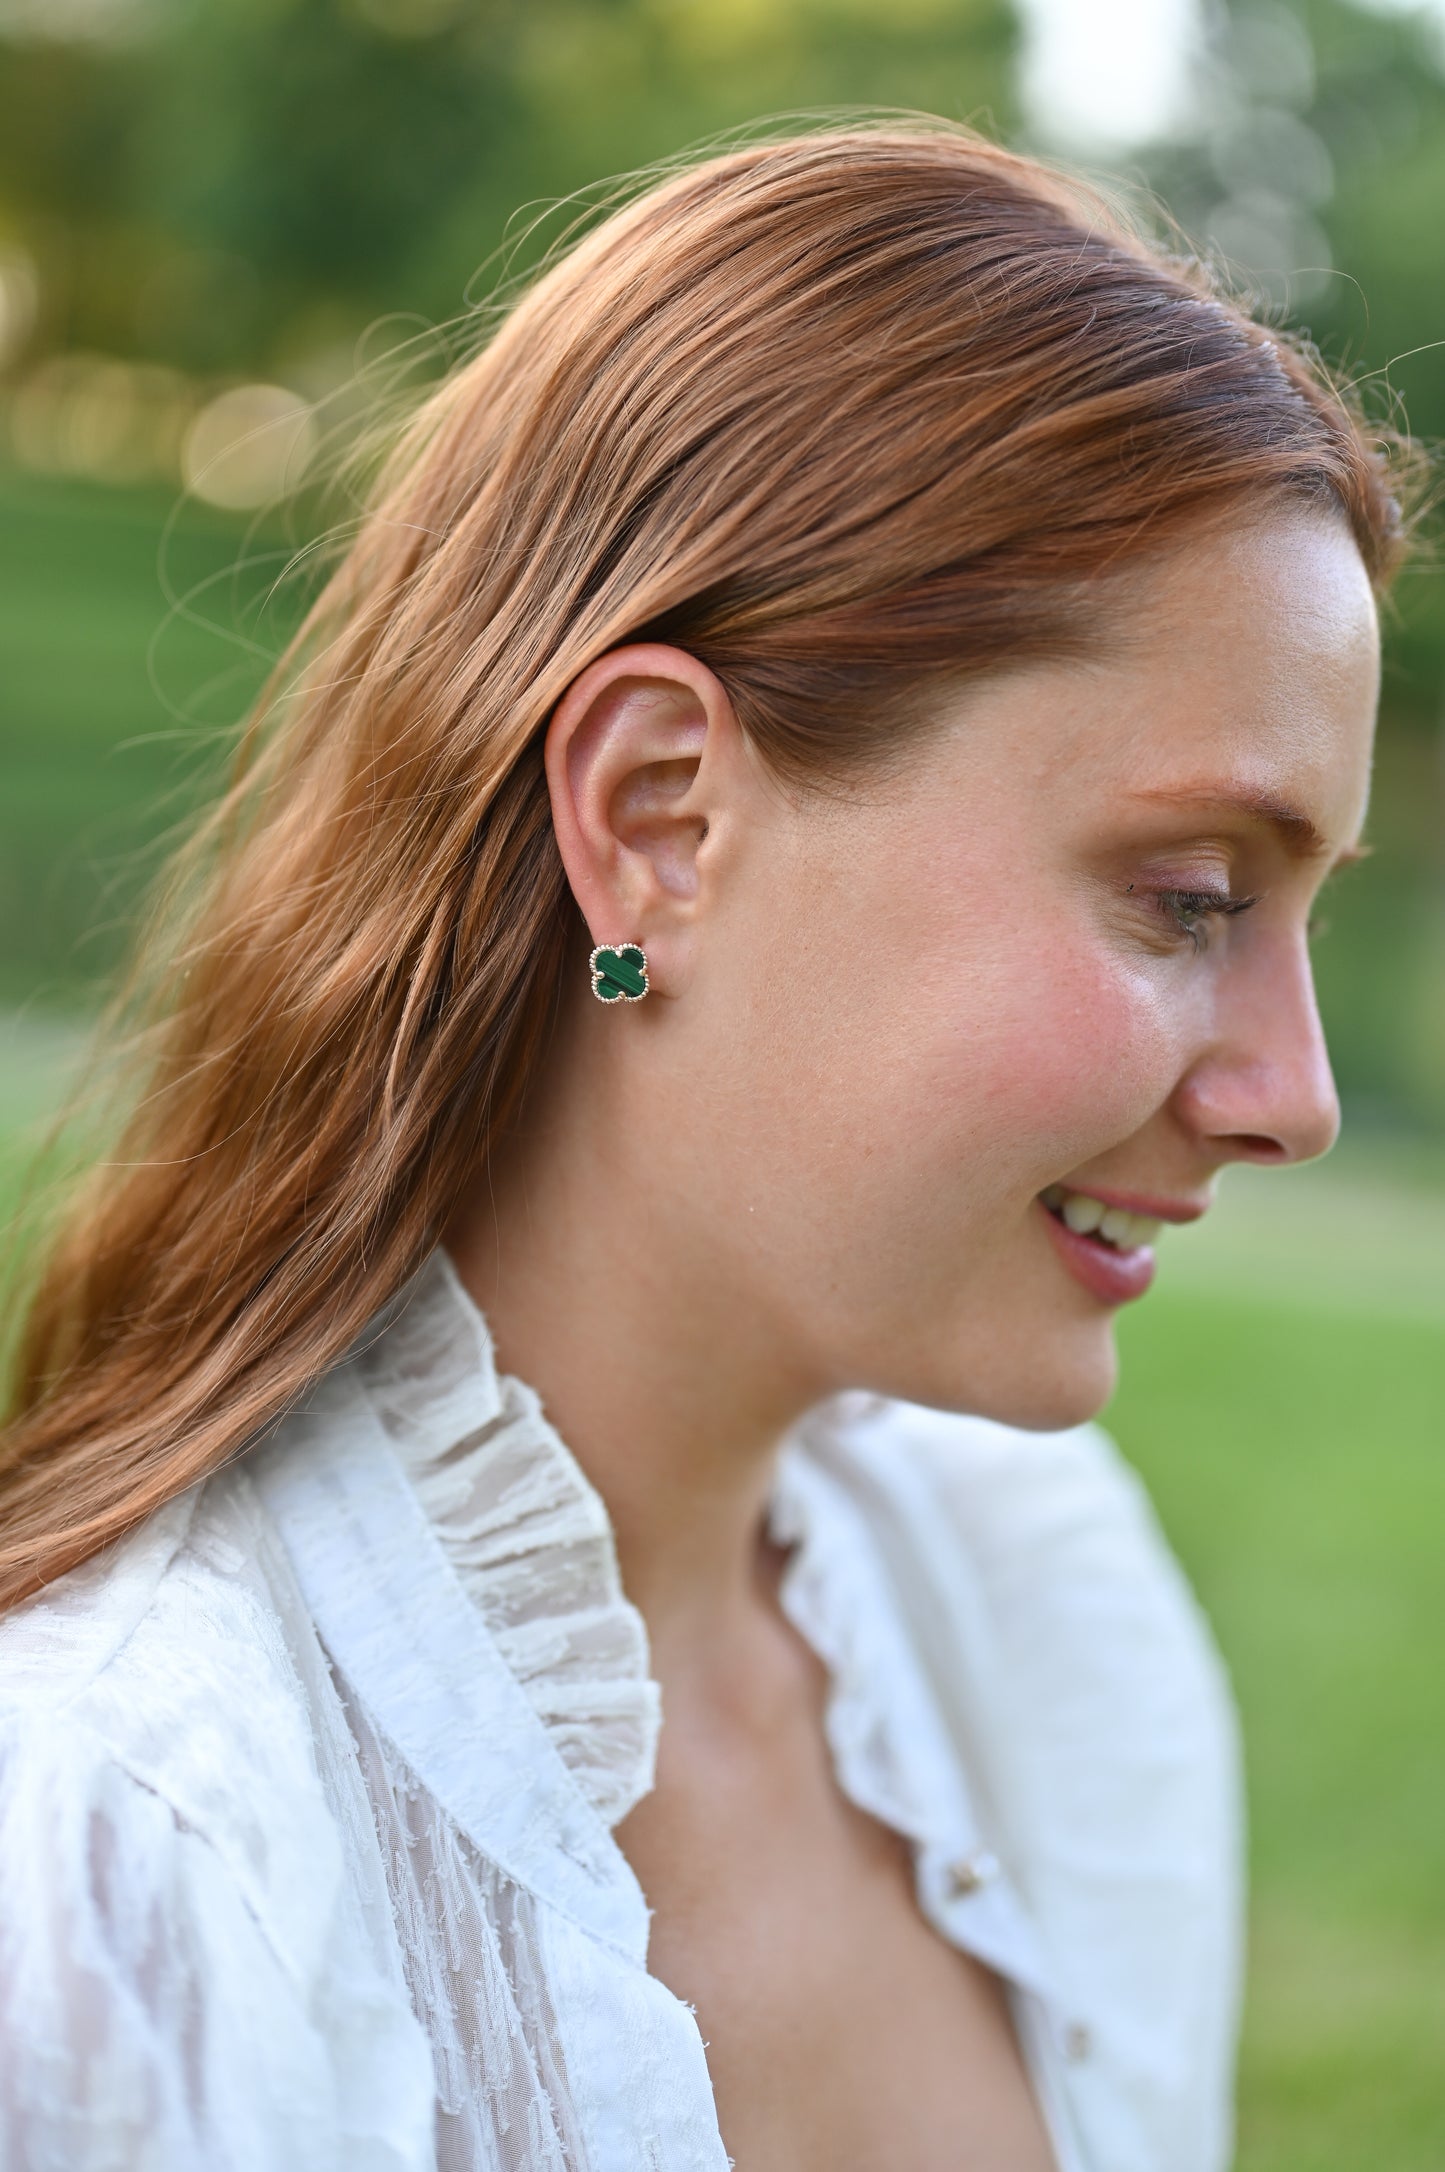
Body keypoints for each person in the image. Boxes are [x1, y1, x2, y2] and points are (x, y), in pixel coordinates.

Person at [0, 123, 1403, 2172]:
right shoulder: (127, 1868)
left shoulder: (1039, 1613)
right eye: (1190, 897)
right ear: (662, 817)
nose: (1295, 1092)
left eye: (1306, 916)